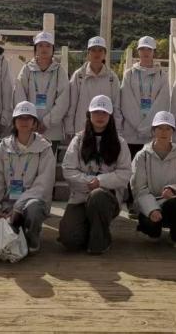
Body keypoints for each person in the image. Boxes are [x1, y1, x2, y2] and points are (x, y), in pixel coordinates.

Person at [59, 95, 132, 254]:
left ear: (110, 116)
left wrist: (100, 182)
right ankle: (91, 229)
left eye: (104, 113)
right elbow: (68, 170)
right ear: (89, 115)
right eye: (96, 112)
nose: (100, 116)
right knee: (69, 239)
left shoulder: (120, 143)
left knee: (98, 196)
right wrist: (90, 181)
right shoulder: (78, 140)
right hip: (80, 197)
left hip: (106, 199)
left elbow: (125, 173)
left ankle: (101, 241)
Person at [0, 101, 56, 254]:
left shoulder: (44, 148)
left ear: (34, 123)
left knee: (34, 208)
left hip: (30, 203)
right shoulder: (3, 147)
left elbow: (43, 185)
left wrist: (18, 207)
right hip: (6, 205)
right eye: (20, 118)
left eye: (28, 118)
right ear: (14, 122)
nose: (24, 121)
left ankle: (32, 239)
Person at [131, 111, 176, 249]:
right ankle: (152, 230)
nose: (164, 132)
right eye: (159, 128)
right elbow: (139, 189)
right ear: (153, 131)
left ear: (173, 132)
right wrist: (152, 209)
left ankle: (175, 235)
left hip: (170, 202)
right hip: (149, 204)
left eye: (168, 128)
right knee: (152, 232)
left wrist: (173, 190)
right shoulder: (142, 156)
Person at [14, 31, 69, 156]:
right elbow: (19, 95)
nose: (44, 49)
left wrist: (46, 122)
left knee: (48, 164)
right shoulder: (27, 69)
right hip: (28, 128)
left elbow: (63, 100)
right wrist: (29, 120)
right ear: (35, 49)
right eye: (40, 45)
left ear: (53, 49)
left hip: (52, 130)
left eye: (48, 46)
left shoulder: (59, 71)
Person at [120, 36, 170, 158]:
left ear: (154, 52)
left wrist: (149, 127)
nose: (145, 52)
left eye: (149, 49)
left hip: (152, 134)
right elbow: (126, 103)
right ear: (138, 51)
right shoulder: (129, 74)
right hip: (131, 134)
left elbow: (162, 103)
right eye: (142, 49)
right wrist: (140, 127)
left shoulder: (162, 75)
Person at [64, 36, 122, 141]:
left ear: (105, 54)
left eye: (100, 50)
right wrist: (69, 128)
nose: (97, 53)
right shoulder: (79, 76)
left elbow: (116, 106)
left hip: (106, 130)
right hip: (82, 129)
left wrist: (117, 130)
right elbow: (71, 104)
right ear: (88, 53)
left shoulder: (112, 78)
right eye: (93, 50)